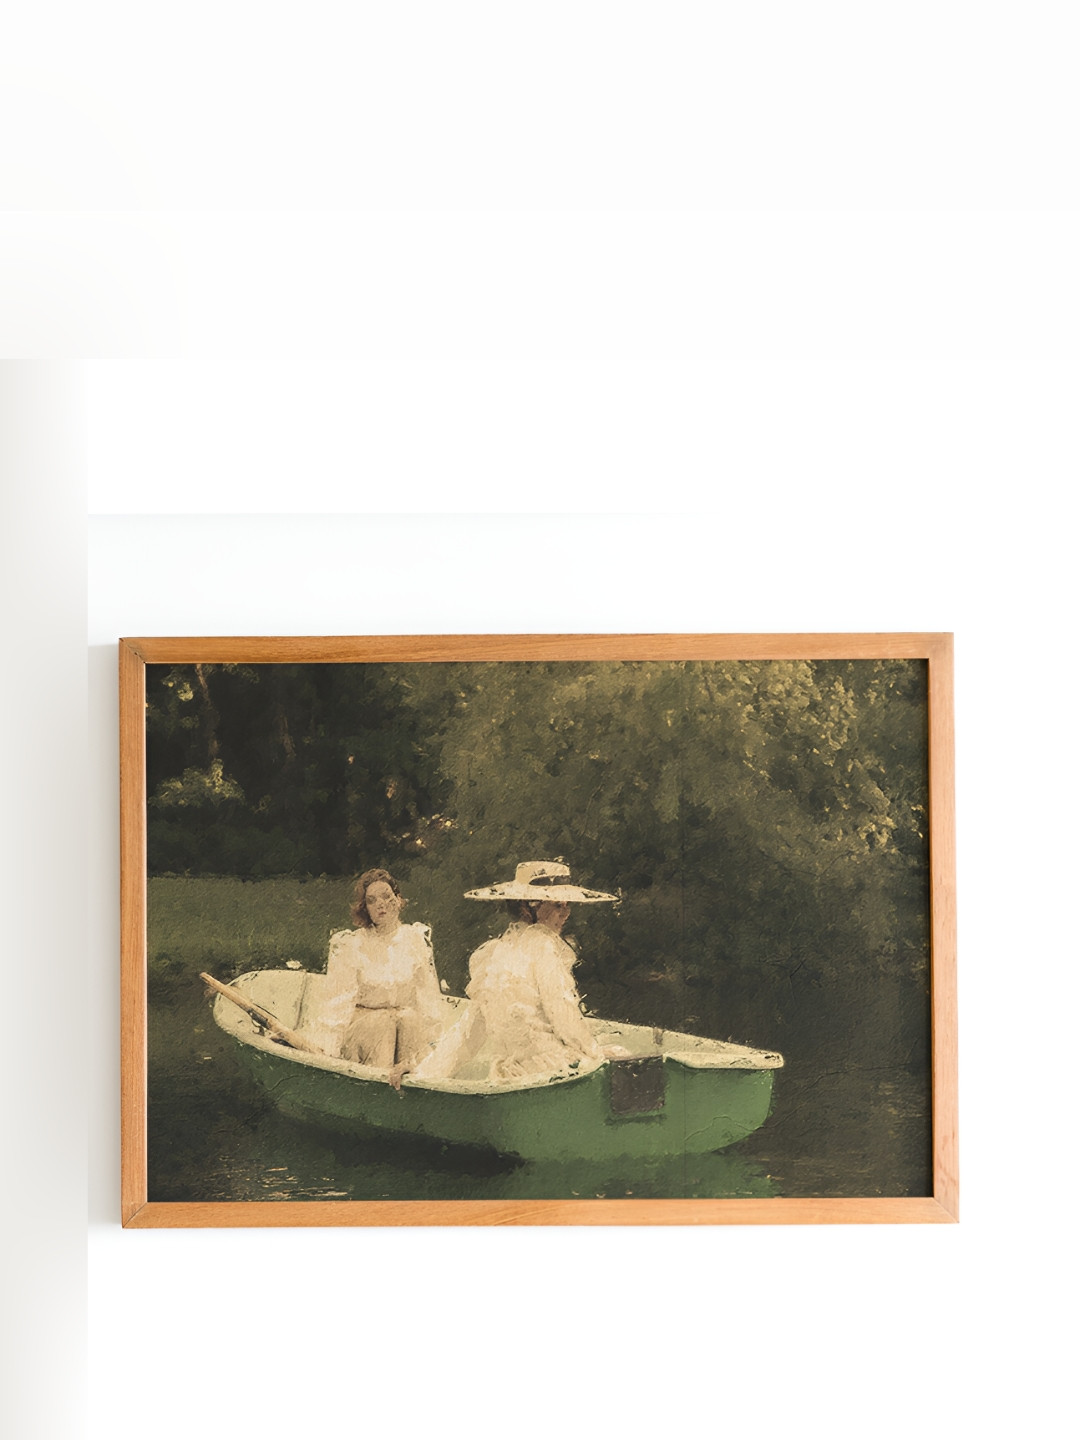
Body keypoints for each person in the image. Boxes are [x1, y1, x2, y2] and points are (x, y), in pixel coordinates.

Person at [412, 860, 625, 1084]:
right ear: (526, 908)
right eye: (557, 906)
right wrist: (596, 1054)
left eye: (566, 905)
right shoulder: (542, 946)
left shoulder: (494, 953)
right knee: (618, 1053)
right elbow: (563, 1016)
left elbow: (469, 1034)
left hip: (509, 1075)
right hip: (551, 1070)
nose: (566, 914)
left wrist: (425, 1073)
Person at [299, 868, 444, 1083]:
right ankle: (377, 1084)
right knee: (382, 1022)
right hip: (365, 1033)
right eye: (371, 900)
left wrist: (435, 1048)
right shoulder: (353, 945)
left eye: (386, 896)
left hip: (403, 1031)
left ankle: (410, 1082)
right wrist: (327, 1051)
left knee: (410, 1018)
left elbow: (428, 1001)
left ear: (398, 900)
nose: (380, 904)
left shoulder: (414, 941)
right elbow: (338, 1004)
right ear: (365, 908)